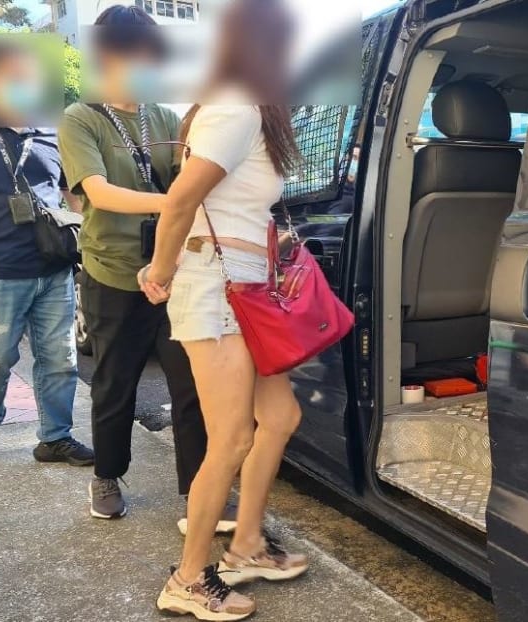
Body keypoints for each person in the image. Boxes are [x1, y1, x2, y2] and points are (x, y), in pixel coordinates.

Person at [109, 0, 308, 618]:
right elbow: (179, 201)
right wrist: (160, 272)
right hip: (216, 285)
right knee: (230, 439)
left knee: (279, 419)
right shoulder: (234, 108)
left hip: (251, 289)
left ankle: (245, 545)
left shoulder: (255, 112)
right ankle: (189, 579)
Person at [57, 6, 230, 528]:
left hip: (171, 271)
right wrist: (175, 204)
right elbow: (99, 194)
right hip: (113, 273)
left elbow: (195, 176)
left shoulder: (164, 116)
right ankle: (106, 476)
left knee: (190, 388)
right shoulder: (80, 117)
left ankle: (199, 492)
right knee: (115, 384)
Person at [0, 41, 93, 466]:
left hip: (54, 267)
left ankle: (54, 436)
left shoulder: (51, 131)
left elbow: (74, 196)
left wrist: (88, 241)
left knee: (61, 359)